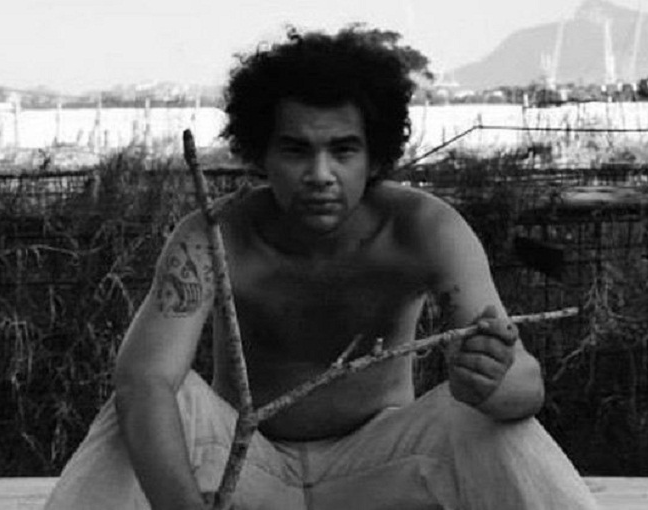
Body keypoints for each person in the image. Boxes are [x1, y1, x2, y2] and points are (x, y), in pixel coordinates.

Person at [45, 27, 599, 510]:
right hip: (242, 458)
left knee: (492, 423)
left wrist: (495, 384)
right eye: (295, 150)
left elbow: (524, 387)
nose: (320, 173)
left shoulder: (425, 228)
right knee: (140, 406)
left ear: (374, 156)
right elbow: (144, 380)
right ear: (260, 154)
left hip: (381, 466)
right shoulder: (212, 235)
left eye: (343, 150)